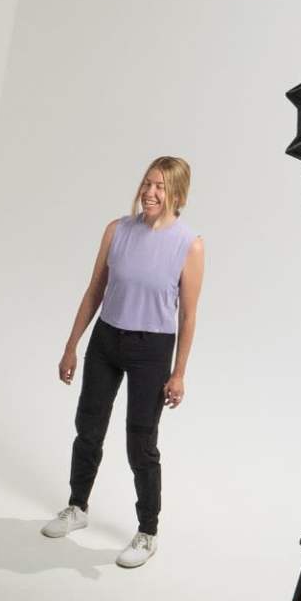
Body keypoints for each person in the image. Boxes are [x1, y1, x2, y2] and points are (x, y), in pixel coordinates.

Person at [46, 156, 205, 570]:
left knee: (141, 441)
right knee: (89, 427)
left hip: (152, 348)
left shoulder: (189, 245)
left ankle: (147, 531)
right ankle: (77, 507)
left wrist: (179, 373)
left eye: (161, 187)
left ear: (177, 195)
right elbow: (95, 289)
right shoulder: (117, 230)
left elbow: (188, 316)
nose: (150, 193)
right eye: (147, 183)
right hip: (106, 339)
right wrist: (71, 345)